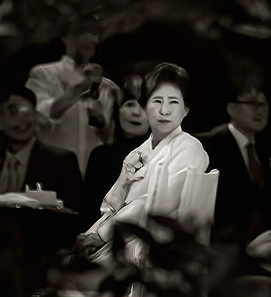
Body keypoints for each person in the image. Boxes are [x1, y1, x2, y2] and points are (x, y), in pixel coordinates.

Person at [75, 63, 211, 259]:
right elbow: (111, 206)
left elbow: (155, 204)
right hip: (118, 238)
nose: (164, 110)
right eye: (157, 101)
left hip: (154, 248)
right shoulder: (138, 152)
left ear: (186, 110)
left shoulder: (190, 148)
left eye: (173, 102)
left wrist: (101, 235)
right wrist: (91, 234)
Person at [28, 26, 119, 174]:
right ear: (65, 36)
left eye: (94, 33)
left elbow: (111, 139)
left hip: (94, 176)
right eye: (82, 31)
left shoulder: (108, 86)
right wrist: (78, 89)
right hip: (53, 173)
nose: (91, 38)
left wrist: (101, 122)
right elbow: (39, 117)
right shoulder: (43, 74)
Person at [200, 80, 271, 256]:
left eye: (263, 104)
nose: (259, 110)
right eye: (251, 103)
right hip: (217, 251)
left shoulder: (268, 150)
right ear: (231, 108)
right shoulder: (206, 145)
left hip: (258, 252)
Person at [0, 87, 83, 211]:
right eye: (13, 112)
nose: (22, 120)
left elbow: (74, 211)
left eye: (28, 112)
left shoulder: (61, 161)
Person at [83, 74, 148, 211]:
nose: (136, 112)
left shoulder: (161, 157)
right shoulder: (100, 156)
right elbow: (88, 209)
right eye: (129, 104)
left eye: (144, 106)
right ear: (117, 111)